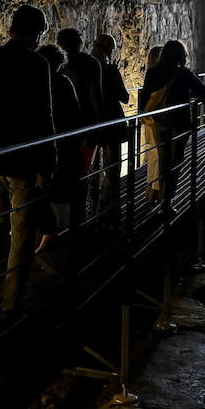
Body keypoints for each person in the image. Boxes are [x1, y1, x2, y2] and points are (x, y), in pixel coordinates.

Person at [0, 4, 55, 319]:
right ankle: (11, 304)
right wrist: (49, 162)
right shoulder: (37, 64)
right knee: (22, 231)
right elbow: (44, 115)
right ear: (36, 33)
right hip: (23, 158)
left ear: (11, 28)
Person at [138, 40, 205, 209]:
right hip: (180, 123)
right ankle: (167, 201)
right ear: (181, 55)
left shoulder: (153, 73)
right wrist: (189, 97)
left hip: (159, 123)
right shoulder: (183, 73)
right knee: (175, 161)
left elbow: (144, 100)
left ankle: (162, 198)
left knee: (163, 162)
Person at [35, 43, 84, 252]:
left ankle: (45, 242)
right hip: (65, 147)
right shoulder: (63, 83)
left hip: (44, 147)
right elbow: (76, 116)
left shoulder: (35, 84)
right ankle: (56, 242)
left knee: (43, 196)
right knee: (62, 196)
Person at [55, 28, 103, 214]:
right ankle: (85, 215)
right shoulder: (90, 63)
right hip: (85, 128)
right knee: (85, 173)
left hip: (63, 129)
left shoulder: (59, 67)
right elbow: (95, 97)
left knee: (65, 175)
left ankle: (64, 222)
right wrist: (98, 127)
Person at [91, 34, 131, 217]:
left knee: (92, 168)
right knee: (113, 166)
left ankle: (92, 207)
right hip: (111, 122)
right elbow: (125, 96)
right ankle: (108, 206)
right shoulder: (110, 70)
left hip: (91, 123)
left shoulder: (87, 69)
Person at [140, 45, 165, 199]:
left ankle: (151, 187)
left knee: (152, 153)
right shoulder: (164, 73)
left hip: (149, 117)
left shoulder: (151, 73)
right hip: (161, 119)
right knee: (158, 154)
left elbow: (144, 98)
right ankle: (154, 189)